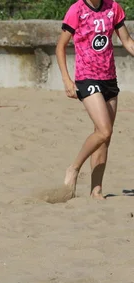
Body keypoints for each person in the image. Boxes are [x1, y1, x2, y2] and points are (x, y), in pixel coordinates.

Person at [56, 0, 134, 199]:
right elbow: (60, 46)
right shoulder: (77, 10)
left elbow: (127, 41)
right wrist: (66, 80)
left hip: (109, 79)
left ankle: (96, 190)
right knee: (104, 130)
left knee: (104, 138)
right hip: (86, 78)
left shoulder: (113, 7)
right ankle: (73, 168)